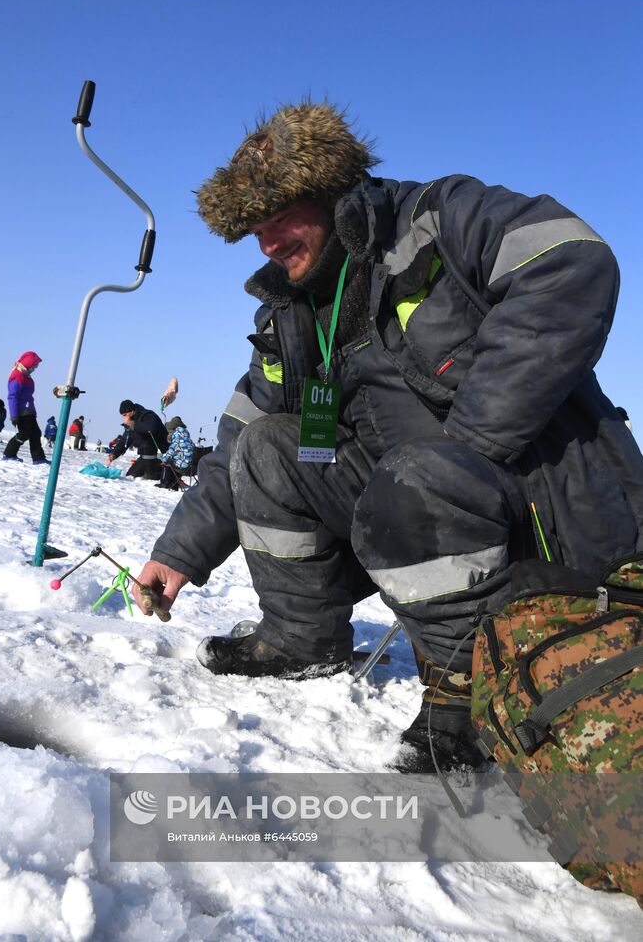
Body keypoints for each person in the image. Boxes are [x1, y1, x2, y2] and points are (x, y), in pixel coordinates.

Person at [133, 101, 643, 772]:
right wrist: (177, 553)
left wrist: (466, 451)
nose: (267, 243)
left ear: (330, 186)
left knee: (421, 477)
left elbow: (570, 262)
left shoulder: (438, 216)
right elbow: (235, 438)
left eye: (280, 215)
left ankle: (465, 691)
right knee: (264, 449)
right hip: (409, 508)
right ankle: (300, 639)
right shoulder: (291, 313)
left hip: (538, 510)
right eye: (254, 229)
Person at [2, 351, 49, 465]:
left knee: (36, 433)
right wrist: (14, 415)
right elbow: (12, 396)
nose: (35, 368)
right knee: (24, 433)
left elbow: (28, 396)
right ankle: (9, 454)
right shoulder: (17, 375)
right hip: (22, 412)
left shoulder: (26, 376)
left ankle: (38, 458)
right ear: (28, 364)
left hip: (29, 411)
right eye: (34, 365)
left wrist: (33, 411)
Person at [106, 400, 169, 479]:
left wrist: (132, 424)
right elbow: (125, 439)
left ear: (132, 411)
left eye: (125, 415)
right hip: (144, 457)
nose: (124, 418)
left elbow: (150, 428)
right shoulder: (131, 422)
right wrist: (113, 454)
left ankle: (161, 471)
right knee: (130, 476)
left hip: (161, 455)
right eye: (123, 415)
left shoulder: (148, 415)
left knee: (150, 477)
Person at [156, 416, 195, 490]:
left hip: (183, 466)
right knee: (175, 461)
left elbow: (168, 455)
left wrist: (160, 456)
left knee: (167, 462)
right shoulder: (189, 441)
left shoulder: (177, 441)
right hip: (192, 467)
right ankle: (174, 484)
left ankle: (165, 483)